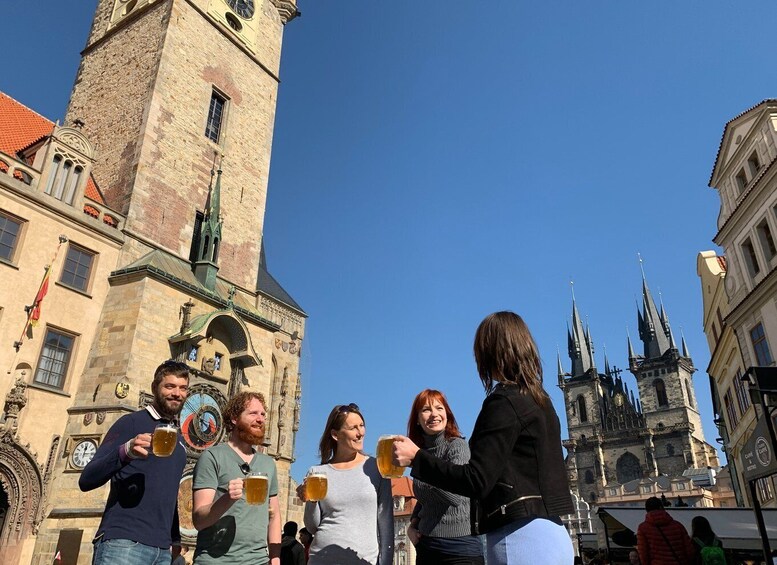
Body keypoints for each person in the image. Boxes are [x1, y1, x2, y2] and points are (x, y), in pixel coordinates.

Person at [393, 311, 575, 565]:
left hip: (520, 538)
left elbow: (476, 480)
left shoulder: (503, 402)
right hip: (554, 534)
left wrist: (416, 459)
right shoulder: (541, 401)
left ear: (489, 352)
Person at [80, 360, 190, 565]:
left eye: (183, 388)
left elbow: (168, 492)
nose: (177, 393)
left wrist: (174, 539)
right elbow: (86, 479)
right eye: (169, 386)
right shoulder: (130, 423)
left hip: (162, 550)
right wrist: (125, 452)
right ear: (154, 388)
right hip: (123, 543)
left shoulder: (179, 439)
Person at [192, 391, 281, 564]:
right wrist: (227, 498)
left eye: (263, 414)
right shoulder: (212, 457)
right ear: (234, 418)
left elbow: (275, 515)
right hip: (214, 560)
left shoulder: (268, 464)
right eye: (253, 413)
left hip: (258, 560)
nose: (261, 419)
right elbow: (199, 521)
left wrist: (275, 558)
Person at [299, 403, 393, 564]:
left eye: (362, 426)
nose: (360, 433)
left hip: (363, 560)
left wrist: (386, 561)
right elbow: (312, 527)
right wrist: (311, 501)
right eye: (353, 428)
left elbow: (386, 523)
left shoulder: (377, 468)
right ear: (335, 435)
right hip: (322, 558)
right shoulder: (317, 473)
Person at [405, 389, 484, 564]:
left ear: (447, 414)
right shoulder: (421, 453)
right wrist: (412, 524)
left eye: (439, 408)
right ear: (417, 420)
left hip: (460, 548)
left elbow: (455, 495)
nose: (434, 414)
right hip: (426, 546)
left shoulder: (457, 446)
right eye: (426, 410)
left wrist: (421, 465)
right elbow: (425, 496)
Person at [636, 496, 693, 565]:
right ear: (661, 507)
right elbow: (689, 550)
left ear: (646, 510)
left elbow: (643, 553)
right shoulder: (677, 525)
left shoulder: (643, 528)